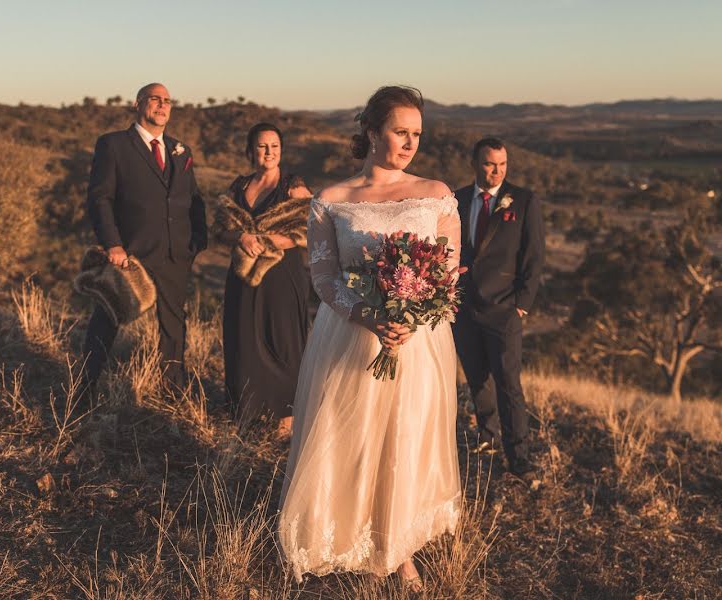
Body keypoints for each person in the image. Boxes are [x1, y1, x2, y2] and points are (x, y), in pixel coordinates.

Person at [277, 86, 462, 590]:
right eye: (400, 132)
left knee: (406, 433)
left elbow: (446, 271)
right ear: (371, 132)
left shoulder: (436, 193)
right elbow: (323, 277)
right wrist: (368, 315)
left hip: (419, 339)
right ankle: (344, 530)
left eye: (416, 134)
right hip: (350, 337)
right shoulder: (332, 201)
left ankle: (399, 546)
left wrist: (411, 315)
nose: (409, 143)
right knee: (349, 433)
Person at [82, 82, 208, 392]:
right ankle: (83, 389)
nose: (162, 105)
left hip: (175, 252)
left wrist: (197, 241)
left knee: (174, 326)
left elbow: (194, 198)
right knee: (107, 319)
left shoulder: (181, 150)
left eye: (167, 100)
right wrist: (113, 244)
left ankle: (173, 392)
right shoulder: (113, 145)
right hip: (130, 253)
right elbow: (100, 198)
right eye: (155, 99)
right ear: (139, 104)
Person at [451, 137, 545, 479]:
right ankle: (487, 436)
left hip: (504, 308)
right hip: (463, 307)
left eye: (502, 165)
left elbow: (534, 257)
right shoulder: (457, 199)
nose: (496, 171)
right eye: (490, 164)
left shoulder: (523, 201)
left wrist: (521, 304)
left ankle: (518, 456)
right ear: (475, 163)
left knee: (509, 384)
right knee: (477, 378)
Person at [213, 123, 312, 436]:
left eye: (274, 146)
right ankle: (247, 410)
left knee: (283, 341)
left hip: (282, 276)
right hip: (243, 275)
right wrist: (241, 237)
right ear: (249, 151)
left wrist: (271, 241)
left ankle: (287, 417)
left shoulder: (292, 186)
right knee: (244, 338)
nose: (268, 152)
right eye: (261, 146)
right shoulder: (239, 186)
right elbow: (220, 229)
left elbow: (312, 228)